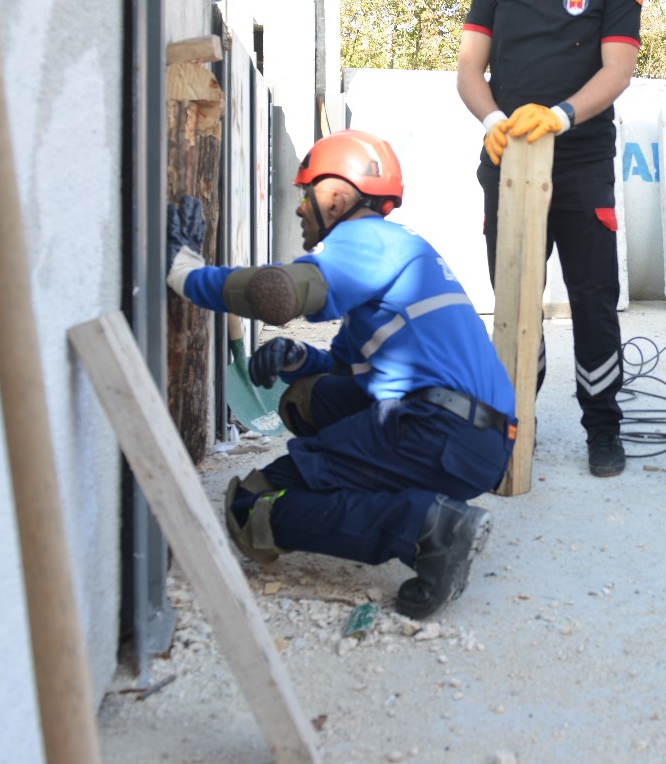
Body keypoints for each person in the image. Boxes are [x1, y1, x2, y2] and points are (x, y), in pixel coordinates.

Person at [164, 130, 515, 619]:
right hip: (482, 444)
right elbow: (349, 370)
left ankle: (428, 527)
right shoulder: (405, 251)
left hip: (432, 430)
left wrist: (184, 273)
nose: (299, 210)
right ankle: (405, 503)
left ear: (335, 197)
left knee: (252, 509)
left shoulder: (362, 238)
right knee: (304, 396)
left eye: (305, 196)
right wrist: (297, 359)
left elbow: (279, 292)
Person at [455, 0, 641, 476]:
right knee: (514, 296)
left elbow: (616, 72)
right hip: (508, 162)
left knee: (593, 299)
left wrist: (562, 116)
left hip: (582, 163)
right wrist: (491, 123)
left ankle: (603, 425)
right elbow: (468, 72)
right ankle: (509, 421)